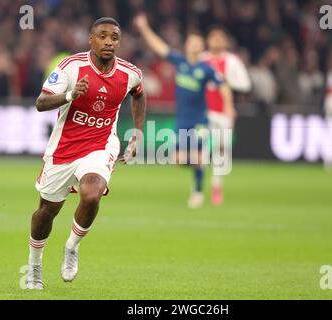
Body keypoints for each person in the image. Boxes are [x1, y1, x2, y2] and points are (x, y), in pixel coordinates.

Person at [26, 17, 146, 290]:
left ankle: (72, 246)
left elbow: (139, 94)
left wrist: (137, 133)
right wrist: (69, 96)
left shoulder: (130, 73)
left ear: (119, 41)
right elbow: (40, 103)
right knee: (46, 211)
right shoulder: (71, 67)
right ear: (90, 40)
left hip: (101, 145)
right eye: (102, 36)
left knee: (92, 194)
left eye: (114, 37)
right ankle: (34, 264)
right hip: (64, 149)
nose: (108, 42)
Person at [134, 14, 235, 209]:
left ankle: (197, 191)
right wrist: (144, 28)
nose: (195, 46)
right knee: (178, 160)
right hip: (182, 120)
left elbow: (223, 86)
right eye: (192, 43)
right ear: (187, 45)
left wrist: (229, 106)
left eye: (198, 43)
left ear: (202, 46)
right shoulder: (179, 61)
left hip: (200, 121)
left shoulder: (207, 68)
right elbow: (159, 46)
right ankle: (201, 165)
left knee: (197, 158)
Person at [201, 25, 251, 205]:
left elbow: (245, 84)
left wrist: (228, 81)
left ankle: (216, 186)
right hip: (204, 112)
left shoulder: (232, 61)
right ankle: (198, 187)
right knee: (202, 150)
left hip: (224, 112)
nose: (216, 41)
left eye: (220, 37)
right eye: (213, 37)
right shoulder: (202, 59)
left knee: (221, 151)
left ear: (225, 42)